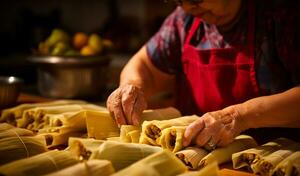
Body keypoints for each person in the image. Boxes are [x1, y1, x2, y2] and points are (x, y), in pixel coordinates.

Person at [107, 0, 300, 150]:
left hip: (274, 161)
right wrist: (132, 86)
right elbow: (145, 66)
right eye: (178, 1)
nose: (189, 7)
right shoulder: (183, 20)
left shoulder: (282, 15)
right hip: (193, 159)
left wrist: (240, 117)